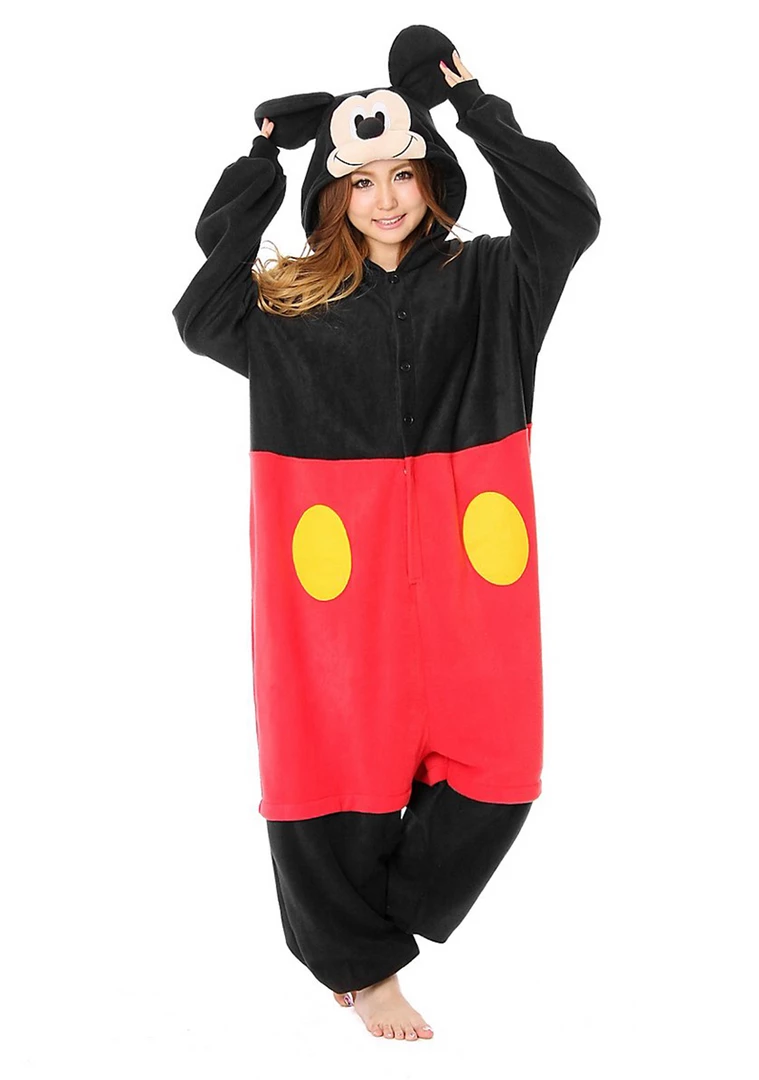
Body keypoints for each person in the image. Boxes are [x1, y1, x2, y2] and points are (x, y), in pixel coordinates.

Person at [171, 24, 600, 1042]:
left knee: (502, 772)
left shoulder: (495, 282)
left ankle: (361, 937)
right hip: (334, 575)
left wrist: (473, 105)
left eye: (403, 172)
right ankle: (365, 972)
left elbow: (569, 215)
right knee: (331, 761)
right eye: (360, 181)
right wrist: (261, 163)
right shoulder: (292, 309)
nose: (386, 197)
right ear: (334, 196)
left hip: (470, 565)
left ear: (432, 176)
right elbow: (200, 311)